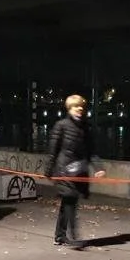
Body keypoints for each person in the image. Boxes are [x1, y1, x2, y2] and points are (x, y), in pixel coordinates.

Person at [45, 95, 106, 248]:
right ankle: (73, 236)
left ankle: (60, 235)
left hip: (78, 172)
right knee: (70, 200)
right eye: (75, 106)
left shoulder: (85, 128)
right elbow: (53, 150)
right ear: (69, 108)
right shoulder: (61, 125)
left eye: (81, 107)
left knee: (68, 202)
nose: (79, 109)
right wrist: (49, 170)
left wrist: (99, 168)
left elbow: (91, 151)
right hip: (63, 171)